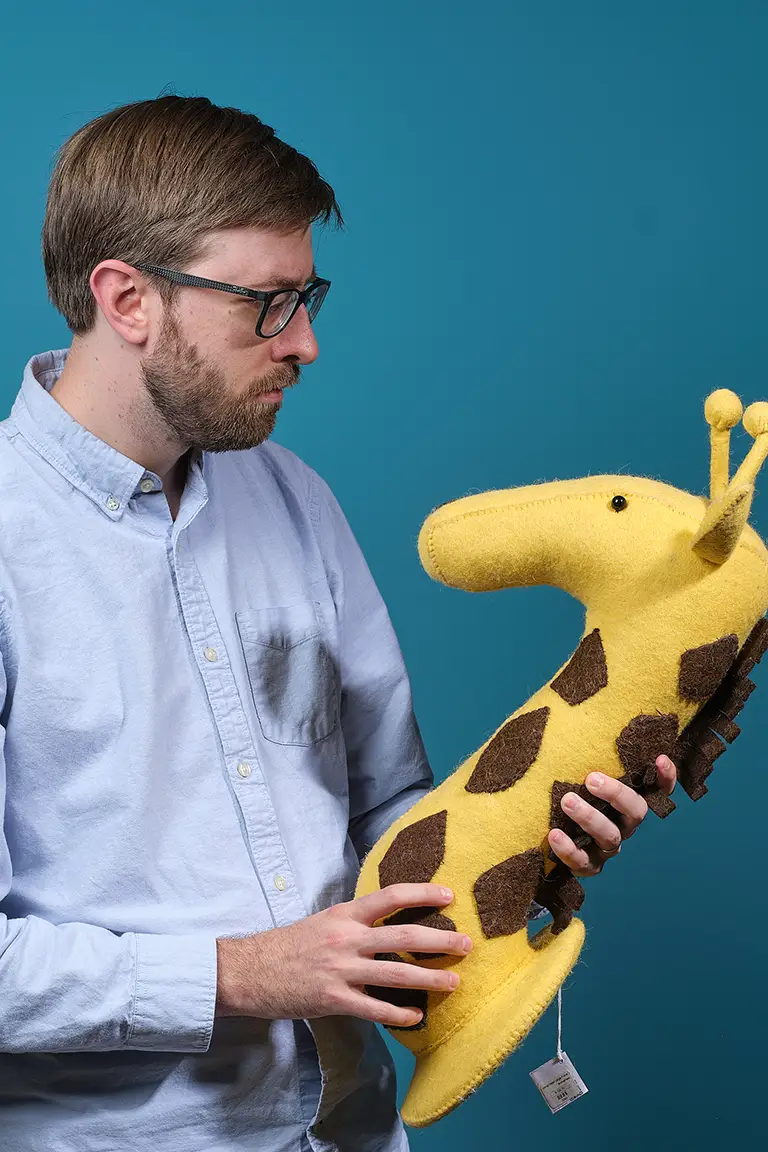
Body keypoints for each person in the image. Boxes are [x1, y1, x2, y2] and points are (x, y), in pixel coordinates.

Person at [0, 96, 676, 1152]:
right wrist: (241, 973)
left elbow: (393, 817)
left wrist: (533, 841)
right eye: (267, 304)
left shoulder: (296, 499)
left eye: (308, 296)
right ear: (127, 299)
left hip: (345, 1131)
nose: (306, 342)